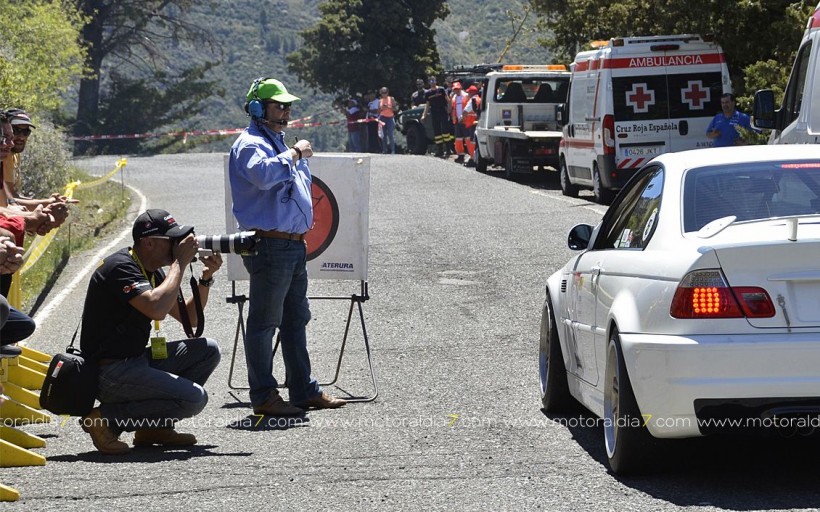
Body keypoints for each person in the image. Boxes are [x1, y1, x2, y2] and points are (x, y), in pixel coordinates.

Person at [228, 77, 347, 417]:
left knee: (296, 318)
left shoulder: (274, 141)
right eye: (279, 105)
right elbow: (264, 176)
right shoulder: (251, 144)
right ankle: (263, 395)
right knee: (264, 322)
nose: (286, 110)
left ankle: (303, 388)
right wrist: (295, 153)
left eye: (287, 105)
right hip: (269, 244)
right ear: (257, 108)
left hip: (292, 245)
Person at [78, 209, 223, 455]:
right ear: (148, 243)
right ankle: (106, 419)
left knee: (207, 350)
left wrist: (205, 279)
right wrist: (180, 263)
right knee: (195, 398)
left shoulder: (153, 270)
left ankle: (153, 428)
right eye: (172, 241)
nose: (178, 246)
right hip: (110, 371)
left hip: (134, 360)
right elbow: (155, 308)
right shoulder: (120, 267)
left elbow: (189, 318)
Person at [421, 76, 452, 158]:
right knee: (437, 132)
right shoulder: (428, 93)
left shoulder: (441, 90)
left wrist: (449, 108)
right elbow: (427, 105)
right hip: (434, 114)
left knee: (445, 131)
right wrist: (424, 115)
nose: (432, 82)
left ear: (436, 81)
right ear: (429, 83)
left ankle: (448, 150)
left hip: (443, 113)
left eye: (433, 81)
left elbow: (448, 100)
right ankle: (440, 150)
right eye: (431, 81)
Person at [450, 81, 470, 164]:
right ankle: (460, 155)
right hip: (457, 121)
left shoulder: (466, 95)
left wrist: (464, 118)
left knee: (468, 138)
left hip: (466, 121)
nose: (456, 91)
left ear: (461, 88)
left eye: (458, 89)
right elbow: (452, 108)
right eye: (455, 89)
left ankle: (471, 155)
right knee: (458, 139)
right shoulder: (454, 97)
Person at [462, 85, 482, 167]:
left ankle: (473, 158)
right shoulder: (480, 99)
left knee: (472, 142)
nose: (468, 94)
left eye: (469, 92)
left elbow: (465, 111)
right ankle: (475, 157)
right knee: (476, 141)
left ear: (471, 92)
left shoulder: (472, 100)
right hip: (478, 123)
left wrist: (461, 118)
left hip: (471, 123)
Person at [378, 87, 398, 154]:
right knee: (383, 135)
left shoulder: (391, 99)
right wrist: (382, 108)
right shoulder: (380, 100)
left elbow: (395, 109)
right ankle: (384, 150)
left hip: (390, 118)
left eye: (385, 92)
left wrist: (388, 107)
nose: (384, 94)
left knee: (390, 134)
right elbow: (378, 111)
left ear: (387, 93)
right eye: (382, 93)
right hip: (382, 118)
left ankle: (393, 150)